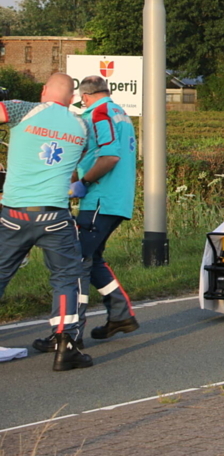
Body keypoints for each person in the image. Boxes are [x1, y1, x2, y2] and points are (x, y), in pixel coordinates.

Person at [34, 75, 139, 353]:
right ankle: (120, 314)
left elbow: (110, 156)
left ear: (85, 97)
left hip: (101, 199)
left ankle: (70, 333)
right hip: (115, 199)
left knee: (75, 260)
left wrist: (84, 182)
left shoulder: (100, 114)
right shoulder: (119, 113)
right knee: (91, 259)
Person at [0, 73, 92, 371]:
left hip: (15, 211)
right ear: (72, 99)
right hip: (55, 213)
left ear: (43, 91)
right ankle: (66, 345)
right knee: (66, 277)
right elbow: (76, 164)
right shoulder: (82, 125)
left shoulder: (24, 109)